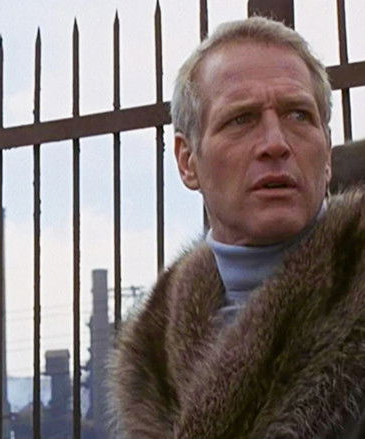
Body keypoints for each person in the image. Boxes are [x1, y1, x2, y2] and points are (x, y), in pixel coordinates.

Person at [111, 16, 365, 438]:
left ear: (326, 152)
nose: (275, 143)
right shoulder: (154, 358)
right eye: (241, 119)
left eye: (299, 115)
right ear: (187, 160)